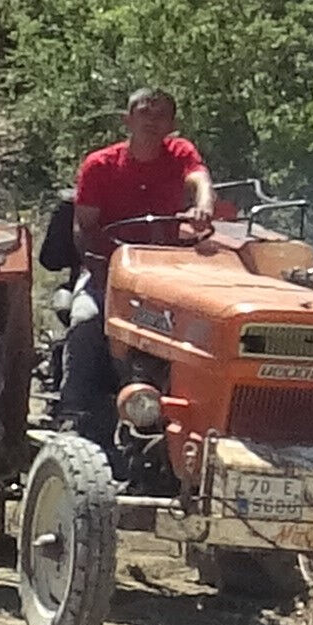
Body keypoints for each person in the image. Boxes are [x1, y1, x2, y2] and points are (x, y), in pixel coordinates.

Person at [50, 86, 207, 445]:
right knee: (87, 321)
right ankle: (73, 412)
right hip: (108, 270)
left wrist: (203, 205)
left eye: (160, 115)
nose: (151, 122)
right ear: (127, 120)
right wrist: (104, 268)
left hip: (166, 274)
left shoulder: (180, 154)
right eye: (144, 113)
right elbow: (83, 228)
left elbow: (199, 179)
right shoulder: (100, 165)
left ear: (172, 124)